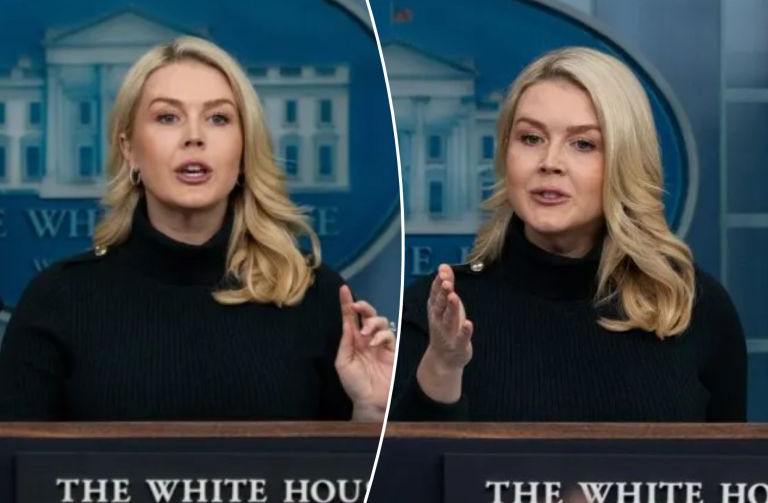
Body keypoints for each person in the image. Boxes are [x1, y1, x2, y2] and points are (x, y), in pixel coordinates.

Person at [0, 36, 394, 421]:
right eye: (167, 117)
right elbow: (18, 475)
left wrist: (372, 412)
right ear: (129, 150)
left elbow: (353, 482)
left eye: (218, 118)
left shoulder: (315, 297)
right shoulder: (58, 300)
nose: (194, 136)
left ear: (243, 150)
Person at [391, 47, 746, 422]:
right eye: (531, 138)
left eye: (583, 144)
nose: (550, 163)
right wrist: (444, 368)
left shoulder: (693, 308)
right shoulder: (440, 312)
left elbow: (730, 474)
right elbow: (409, 474)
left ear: (624, 161)